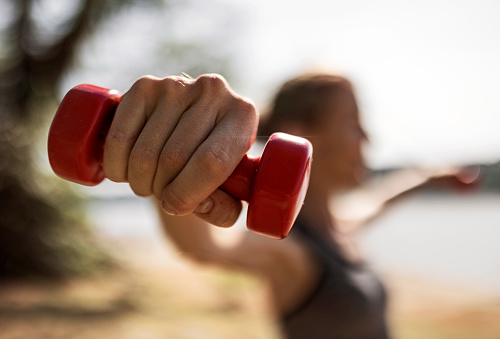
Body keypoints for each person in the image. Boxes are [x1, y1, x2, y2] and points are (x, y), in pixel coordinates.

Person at [102, 72, 478, 339]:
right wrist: (172, 165)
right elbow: (205, 248)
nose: (367, 136)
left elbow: (377, 202)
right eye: (353, 122)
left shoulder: (338, 227)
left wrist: (428, 178)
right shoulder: (291, 250)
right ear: (300, 133)